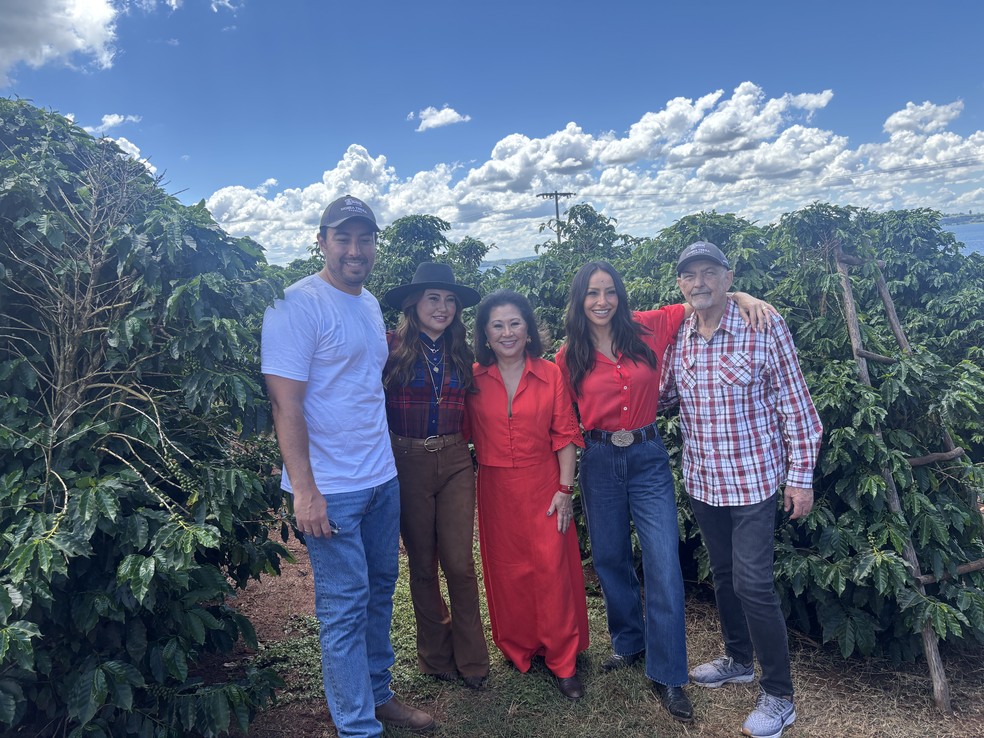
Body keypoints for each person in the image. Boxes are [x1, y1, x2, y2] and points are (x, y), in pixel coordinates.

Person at [555, 261, 772, 723]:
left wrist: (742, 298)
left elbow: (704, 297)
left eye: (610, 292)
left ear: (621, 296)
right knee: (611, 558)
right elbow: (559, 418)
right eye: (592, 293)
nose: (602, 302)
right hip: (597, 460)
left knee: (662, 563)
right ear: (579, 300)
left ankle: (669, 674)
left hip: (647, 457)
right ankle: (629, 642)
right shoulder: (566, 356)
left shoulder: (649, 327)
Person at [261, 196, 435, 737]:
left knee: (381, 588)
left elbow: (363, 388)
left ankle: (377, 694)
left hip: (380, 477)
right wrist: (305, 491)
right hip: (331, 488)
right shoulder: (296, 304)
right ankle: (357, 726)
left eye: (365, 239)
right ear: (322, 242)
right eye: (344, 238)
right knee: (342, 606)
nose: (355, 250)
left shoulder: (369, 304)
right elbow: (285, 404)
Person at [660, 241, 822, 738]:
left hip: (752, 481)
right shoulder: (680, 335)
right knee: (725, 575)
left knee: (753, 583)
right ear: (681, 285)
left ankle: (780, 696)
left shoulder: (762, 325)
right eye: (690, 276)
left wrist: (800, 478)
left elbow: (798, 408)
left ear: (729, 278)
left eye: (710, 272)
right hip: (704, 481)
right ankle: (737, 658)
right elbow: (662, 393)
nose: (700, 282)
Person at [465, 290, 590, 700]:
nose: (507, 332)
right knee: (508, 570)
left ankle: (563, 658)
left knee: (552, 569)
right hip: (495, 487)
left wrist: (564, 490)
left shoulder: (550, 373)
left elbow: (565, 433)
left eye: (515, 323)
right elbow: (462, 432)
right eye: (497, 325)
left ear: (528, 328)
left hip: (543, 482)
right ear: (484, 333)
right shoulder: (473, 378)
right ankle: (521, 646)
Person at [381, 262, 489, 690]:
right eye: (433, 298)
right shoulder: (387, 347)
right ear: (414, 303)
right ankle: (435, 656)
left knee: (460, 564)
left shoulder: (463, 352)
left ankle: (474, 661)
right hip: (405, 460)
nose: (443, 307)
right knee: (423, 565)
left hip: (455, 458)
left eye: (450, 301)